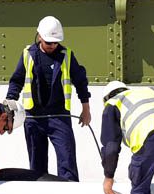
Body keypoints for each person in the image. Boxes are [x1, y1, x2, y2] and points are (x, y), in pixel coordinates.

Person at [6, 16, 91, 181]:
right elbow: (16, 81)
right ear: (39, 36)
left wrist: (85, 109)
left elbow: (80, 81)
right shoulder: (27, 55)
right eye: (49, 42)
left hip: (59, 116)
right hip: (34, 117)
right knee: (37, 165)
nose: (53, 46)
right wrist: (9, 103)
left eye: (55, 42)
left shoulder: (66, 56)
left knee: (67, 160)